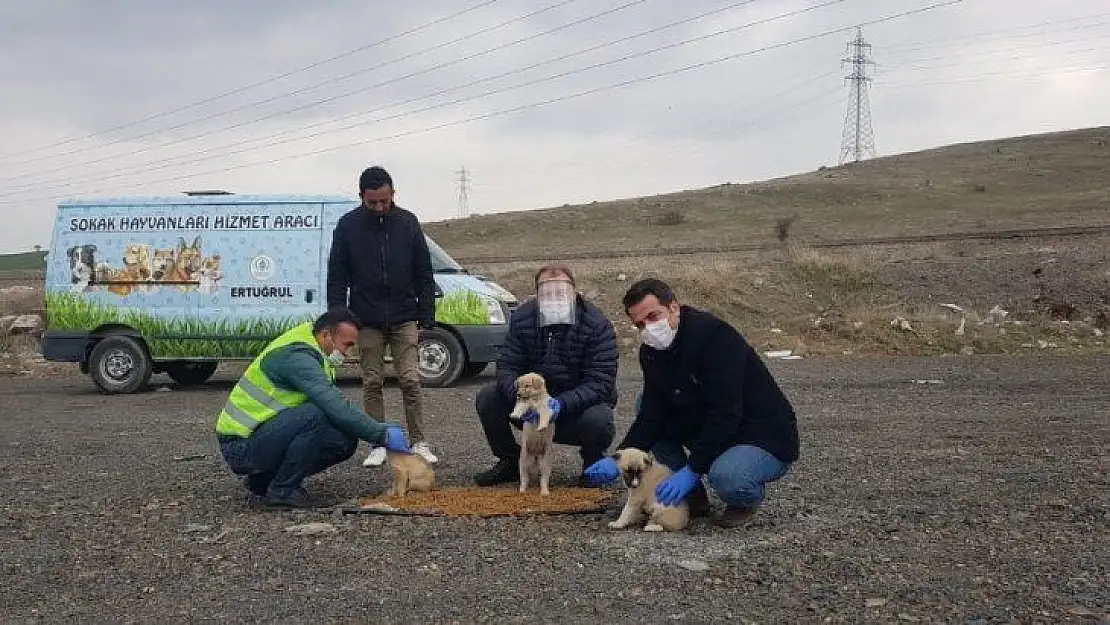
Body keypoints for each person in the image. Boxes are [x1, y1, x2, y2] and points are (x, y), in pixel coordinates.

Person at [583, 278, 800, 528]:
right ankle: (693, 496)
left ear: (674, 307)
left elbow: (727, 412)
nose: (649, 328)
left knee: (729, 477)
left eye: (654, 316)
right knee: (645, 402)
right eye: (640, 324)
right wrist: (618, 457)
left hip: (759, 435)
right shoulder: (651, 352)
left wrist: (693, 468)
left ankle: (744, 500)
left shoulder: (716, 338)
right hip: (712, 425)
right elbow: (652, 414)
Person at [214, 308, 414, 509]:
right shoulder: (297, 356)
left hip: (262, 436)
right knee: (314, 415)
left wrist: (375, 431)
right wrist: (382, 434)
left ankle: (265, 480)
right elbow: (334, 405)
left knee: (342, 441)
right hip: (240, 446)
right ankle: (282, 492)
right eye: (347, 345)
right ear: (326, 334)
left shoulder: (315, 350)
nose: (348, 353)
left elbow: (336, 408)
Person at [326, 165, 439, 467]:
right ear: (361, 196)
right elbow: (336, 276)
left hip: (404, 316)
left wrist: (426, 314)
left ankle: (418, 442)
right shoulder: (347, 226)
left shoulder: (408, 223)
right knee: (372, 381)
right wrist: (338, 319)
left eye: (384, 201)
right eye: (372, 201)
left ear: (393, 194)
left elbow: (423, 273)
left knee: (410, 379)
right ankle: (378, 442)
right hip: (366, 317)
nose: (379, 207)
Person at [474, 263, 619, 487]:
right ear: (536, 295)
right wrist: (521, 396)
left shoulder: (597, 324)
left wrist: (559, 404)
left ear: (575, 293)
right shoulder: (522, 318)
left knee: (599, 418)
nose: (554, 299)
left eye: (560, 292)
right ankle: (510, 460)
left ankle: (592, 463)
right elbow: (507, 365)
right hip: (529, 407)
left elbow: (601, 382)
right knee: (489, 397)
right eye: (546, 293)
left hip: (573, 410)